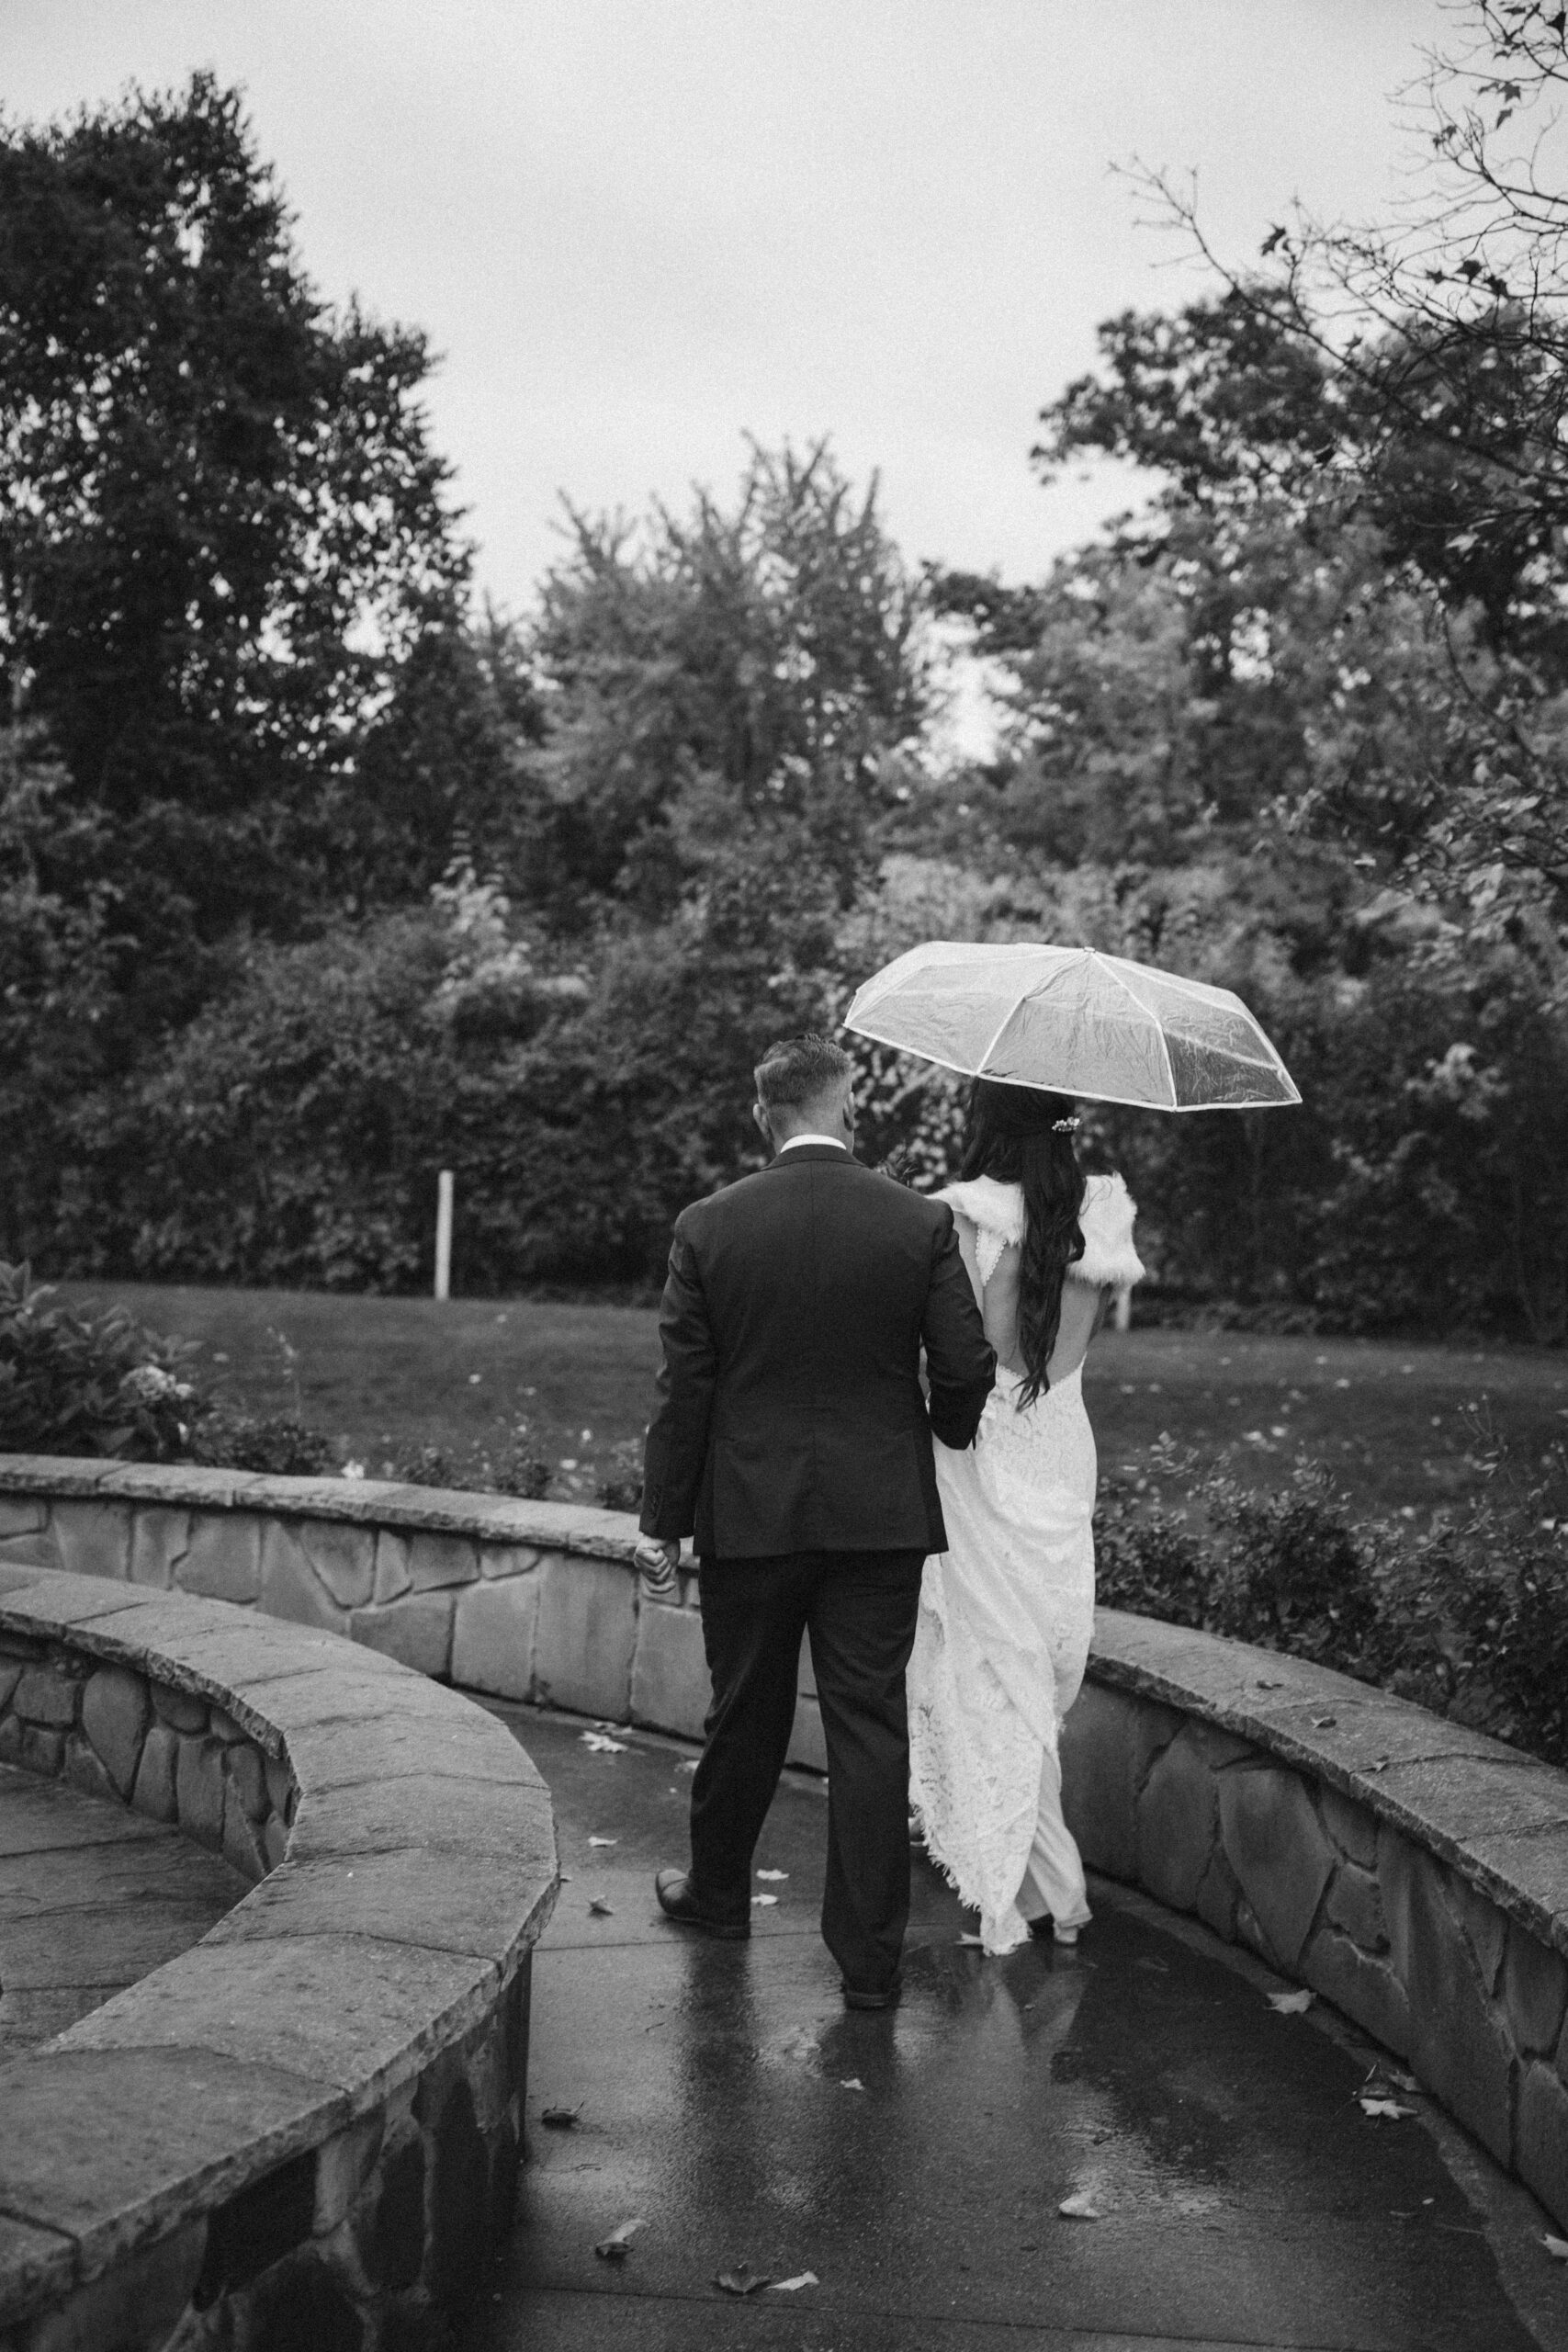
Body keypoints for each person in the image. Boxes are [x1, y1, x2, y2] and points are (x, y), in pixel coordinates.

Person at [636, 1034, 996, 2008]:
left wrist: (662, 1521)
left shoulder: (709, 1227)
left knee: (742, 1714)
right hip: (877, 1520)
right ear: (848, 1106)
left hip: (749, 1518)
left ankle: (718, 1896)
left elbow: (686, 1395)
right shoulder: (916, 1221)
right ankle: (872, 1966)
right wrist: (933, 1437)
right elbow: (965, 1367)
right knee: (869, 1730)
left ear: (764, 1115)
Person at [908, 1080, 1143, 1955]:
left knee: (988, 1661)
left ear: (986, 1126)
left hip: (978, 1446)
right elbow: (1064, 1344)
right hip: (1059, 1443)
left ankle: (1043, 1888)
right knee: (1033, 1659)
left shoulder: (960, 1213)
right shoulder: (1105, 1208)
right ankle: (1053, 1891)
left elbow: (949, 1348)